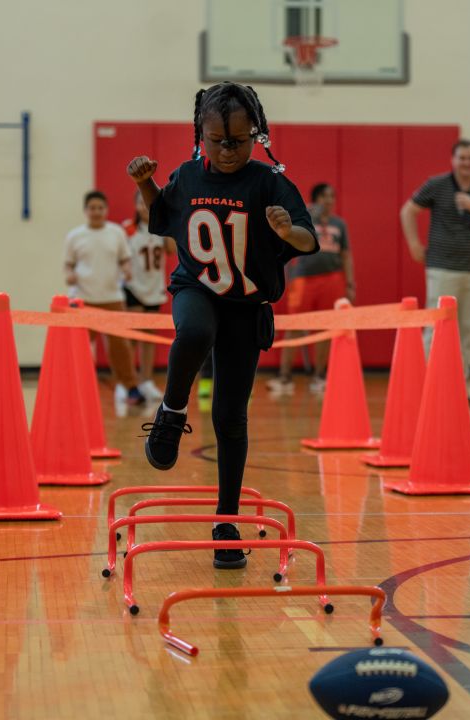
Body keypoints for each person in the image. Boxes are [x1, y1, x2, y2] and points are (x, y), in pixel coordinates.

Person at [128, 81, 317, 569]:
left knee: (231, 417)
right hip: (197, 287)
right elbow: (164, 217)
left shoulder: (269, 181)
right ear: (201, 135)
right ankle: (170, 412)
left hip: (246, 306)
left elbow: (307, 239)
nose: (229, 150)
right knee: (193, 332)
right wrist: (146, 183)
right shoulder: (188, 177)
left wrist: (284, 231)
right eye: (218, 141)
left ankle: (226, 519)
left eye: (239, 140)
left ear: (256, 134)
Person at [268, 182, 355, 395]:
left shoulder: (339, 224)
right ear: (316, 199)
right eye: (325, 196)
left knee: (326, 328)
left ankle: (319, 377)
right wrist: (306, 211)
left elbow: (346, 255)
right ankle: (285, 378)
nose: (329, 200)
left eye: (332, 196)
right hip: (303, 279)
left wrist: (350, 283)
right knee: (295, 326)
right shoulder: (305, 217)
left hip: (332, 279)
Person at [400, 139, 470, 378]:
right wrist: (414, 242)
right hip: (443, 267)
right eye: (462, 158)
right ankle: (425, 380)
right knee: (436, 326)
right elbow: (408, 211)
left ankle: (459, 385)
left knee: (467, 330)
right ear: (453, 160)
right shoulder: (438, 184)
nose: (467, 163)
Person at [64, 190, 144, 405]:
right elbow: (68, 264)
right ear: (85, 211)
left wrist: (127, 270)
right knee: (78, 347)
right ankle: (72, 387)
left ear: (106, 210)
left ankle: (131, 388)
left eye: (100, 208)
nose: (96, 212)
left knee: (120, 347)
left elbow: (125, 259)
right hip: (82, 299)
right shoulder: (75, 236)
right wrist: (69, 275)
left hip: (112, 298)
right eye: (92, 208)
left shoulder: (116, 232)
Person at [121, 190, 177, 404]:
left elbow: (172, 250)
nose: (144, 207)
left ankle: (146, 380)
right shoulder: (128, 228)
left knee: (149, 339)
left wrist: (169, 221)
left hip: (154, 289)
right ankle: (127, 383)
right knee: (132, 337)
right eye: (141, 203)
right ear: (135, 206)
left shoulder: (161, 228)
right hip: (133, 287)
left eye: (148, 203)